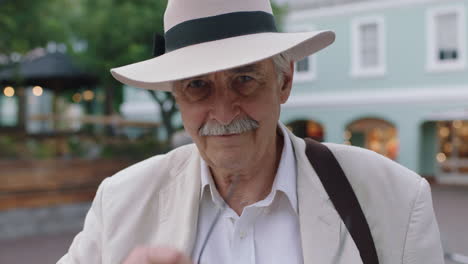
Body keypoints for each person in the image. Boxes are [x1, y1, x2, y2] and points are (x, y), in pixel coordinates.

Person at [58, 0, 444, 263]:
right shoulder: (121, 202)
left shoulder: (395, 200)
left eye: (244, 78)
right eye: (198, 86)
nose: (224, 113)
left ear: (284, 81)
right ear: (176, 96)